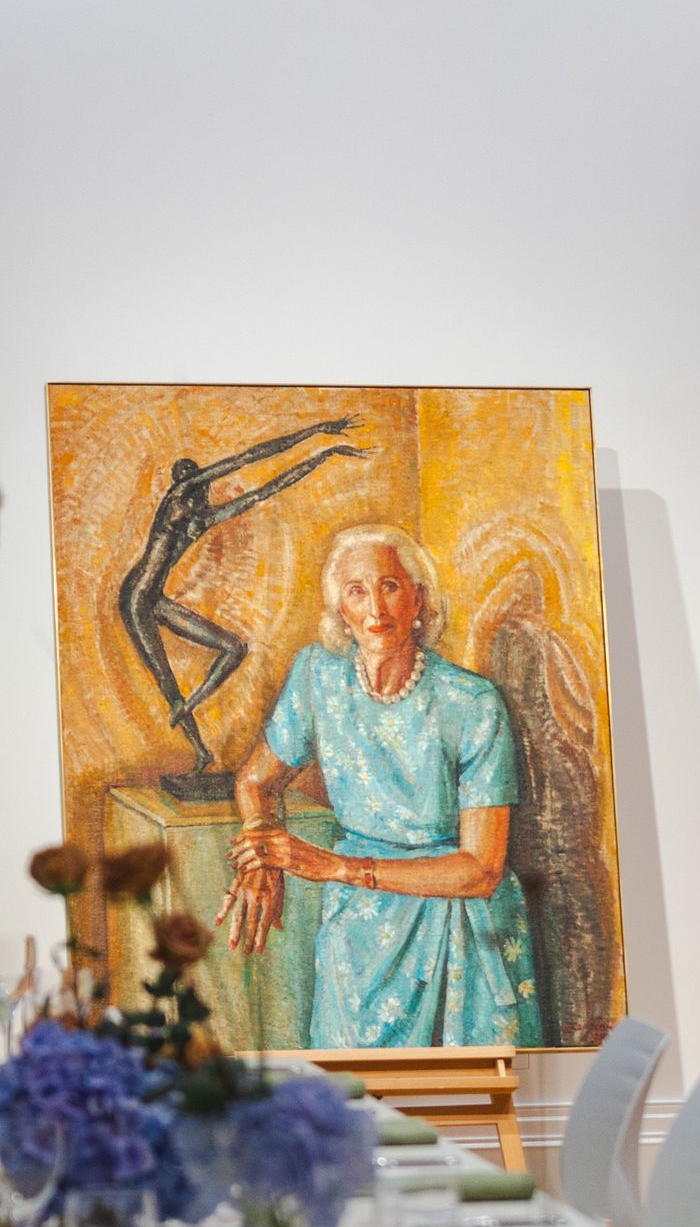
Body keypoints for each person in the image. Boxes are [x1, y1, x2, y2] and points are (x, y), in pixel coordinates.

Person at [219, 526, 542, 1048]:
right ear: (339, 609)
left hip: (457, 926)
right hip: (359, 932)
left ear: (419, 599)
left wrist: (336, 868)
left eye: (389, 586)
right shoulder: (317, 675)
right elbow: (256, 781)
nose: (375, 608)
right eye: (356, 590)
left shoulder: (472, 702)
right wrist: (260, 856)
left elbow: (482, 869)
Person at [117, 418, 364, 781]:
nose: (194, 490)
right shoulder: (177, 499)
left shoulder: (205, 516)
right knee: (165, 678)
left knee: (234, 648)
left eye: (196, 482)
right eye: (189, 482)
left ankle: (193, 702)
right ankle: (200, 750)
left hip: (154, 598)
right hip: (136, 597)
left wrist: (322, 450)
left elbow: (266, 489)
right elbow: (244, 459)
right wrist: (317, 434)